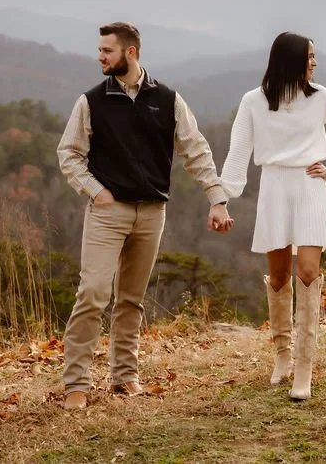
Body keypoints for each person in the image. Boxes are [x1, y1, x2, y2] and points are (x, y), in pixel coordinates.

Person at [57, 21, 233, 410]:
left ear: (131, 52)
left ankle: (124, 378)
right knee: (92, 294)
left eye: (107, 51)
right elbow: (68, 154)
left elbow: (196, 150)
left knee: (131, 299)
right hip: (108, 213)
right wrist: (95, 191)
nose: (100, 57)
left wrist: (217, 199)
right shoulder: (91, 101)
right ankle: (76, 385)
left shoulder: (168, 99)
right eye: (100, 50)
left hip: (152, 213)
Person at [219, 32, 326, 400]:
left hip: (310, 185)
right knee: (280, 274)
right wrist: (222, 199)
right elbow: (238, 153)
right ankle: (282, 356)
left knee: (309, 271)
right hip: (274, 187)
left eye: (315, 56)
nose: (315, 63)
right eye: (309, 56)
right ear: (290, 59)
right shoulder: (253, 101)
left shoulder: (320, 97)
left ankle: (304, 368)